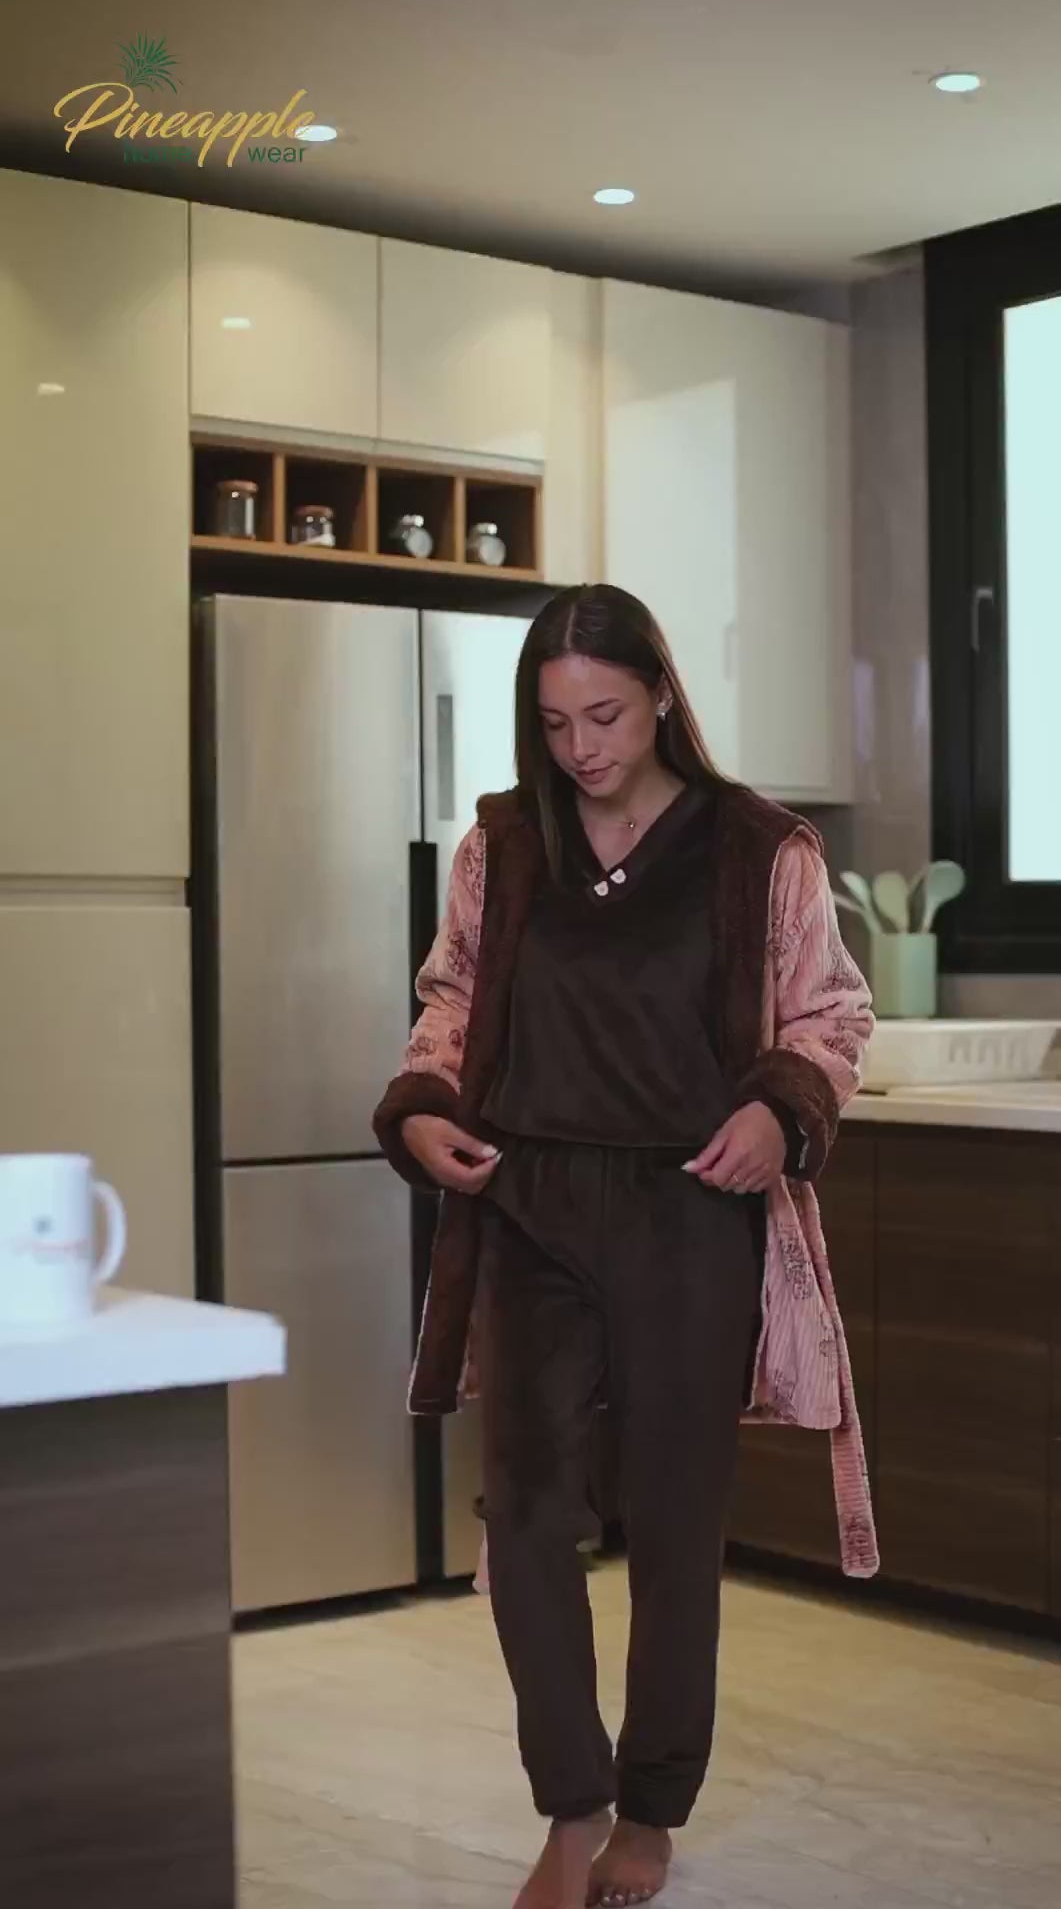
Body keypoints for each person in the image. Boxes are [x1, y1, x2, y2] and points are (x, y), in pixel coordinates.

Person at [374, 584, 877, 1909]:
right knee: (528, 1517)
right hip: (529, 1206)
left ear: (661, 695)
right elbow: (449, 1005)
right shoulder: (501, 851)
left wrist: (783, 1111)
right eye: (554, 724)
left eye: (604, 713)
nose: (582, 747)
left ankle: (651, 1814)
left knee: (671, 1524)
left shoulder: (758, 850)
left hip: (689, 1213)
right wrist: (422, 1112)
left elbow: (831, 1016)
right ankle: (571, 1804)